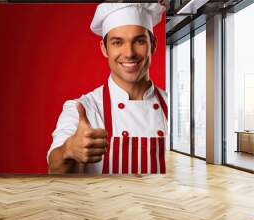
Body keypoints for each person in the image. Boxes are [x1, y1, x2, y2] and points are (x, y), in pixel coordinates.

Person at [47, 3, 167, 174]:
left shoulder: (171, 105)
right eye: (117, 42)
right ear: (104, 49)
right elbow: (55, 167)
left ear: (153, 44)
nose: (129, 53)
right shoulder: (83, 108)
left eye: (139, 41)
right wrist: (69, 150)